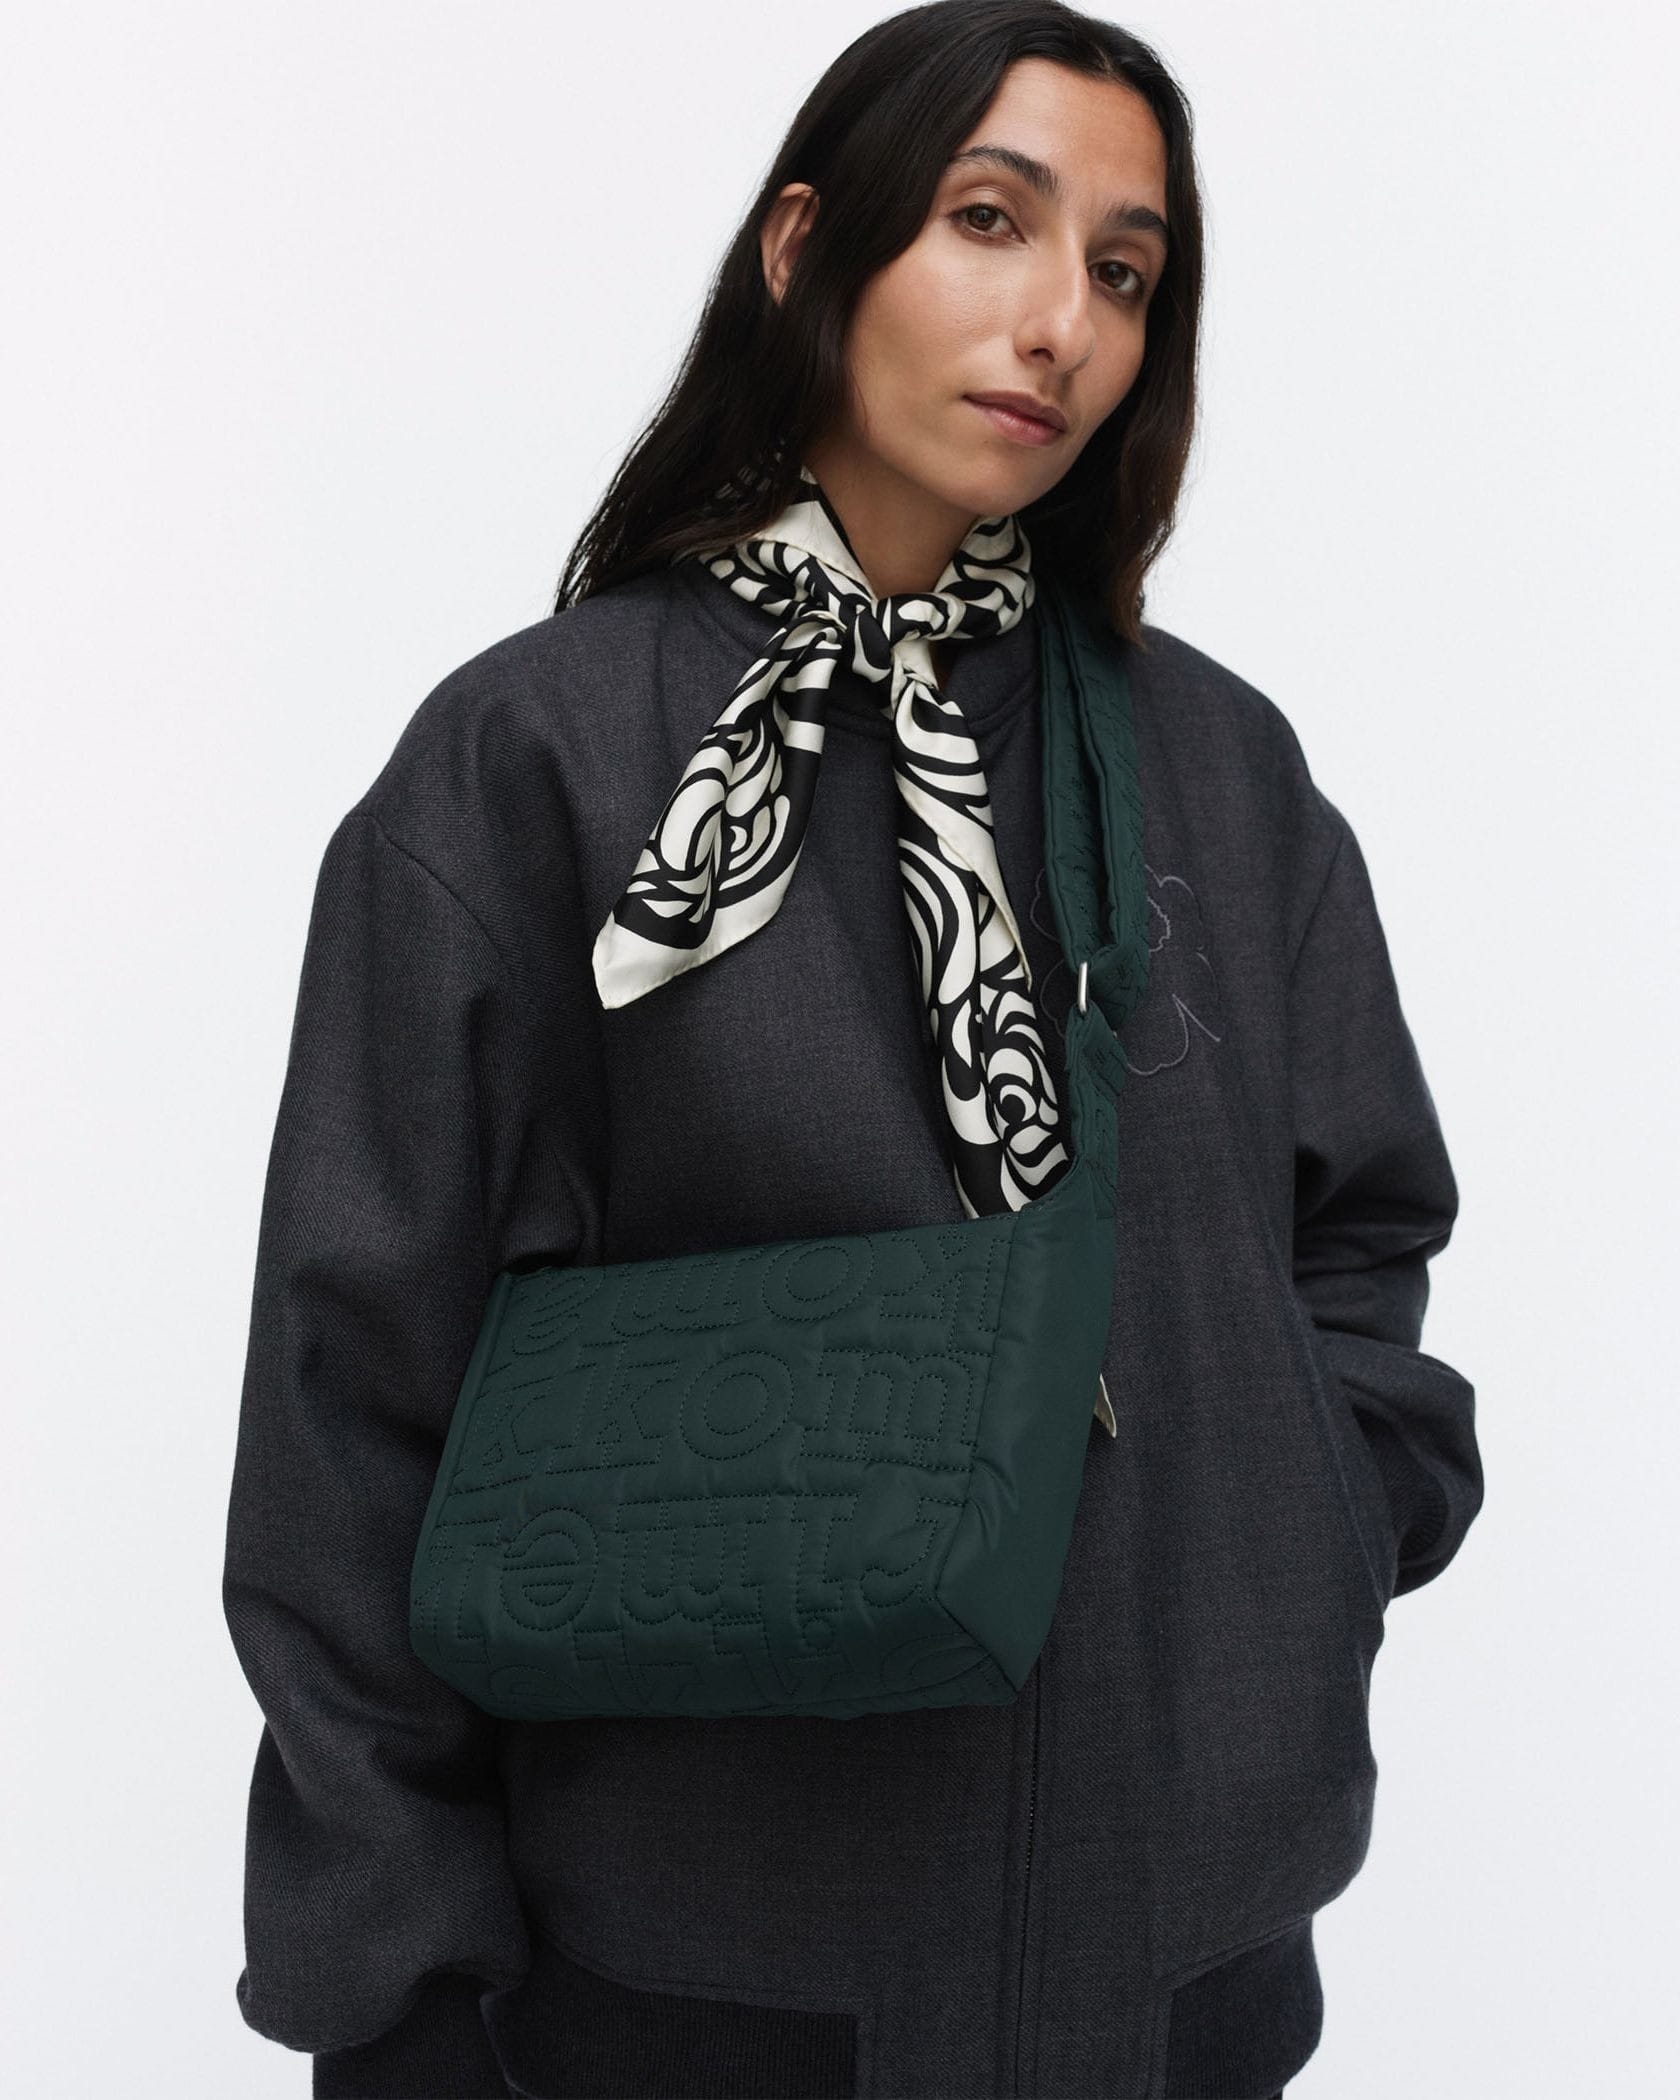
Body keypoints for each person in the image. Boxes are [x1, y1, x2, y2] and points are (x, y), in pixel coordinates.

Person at [222, 5, 1483, 2096]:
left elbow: (1364, 1236)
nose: (1059, 321)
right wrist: (395, 2002)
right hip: (700, 1993)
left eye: (1124, 270)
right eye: (990, 220)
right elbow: (352, 1412)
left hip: (1188, 1979)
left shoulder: (1222, 771)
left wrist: (1306, 1525)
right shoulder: (534, 765)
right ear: (807, 247)